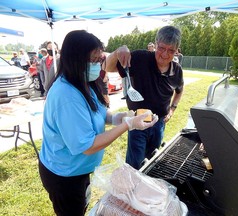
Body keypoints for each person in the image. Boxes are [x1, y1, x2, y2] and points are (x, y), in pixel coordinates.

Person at [38, 30, 158, 216]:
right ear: (75, 59)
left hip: (79, 170)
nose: (97, 65)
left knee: (81, 206)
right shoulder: (66, 96)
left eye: (98, 59)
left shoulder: (83, 82)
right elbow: (87, 146)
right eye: (92, 60)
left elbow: (101, 114)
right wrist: (127, 125)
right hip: (65, 175)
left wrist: (121, 118)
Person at [105, 26, 184, 170]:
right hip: (137, 122)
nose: (165, 54)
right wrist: (117, 53)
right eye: (161, 48)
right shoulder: (140, 58)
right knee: (135, 167)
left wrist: (172, 109)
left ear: (177, 50)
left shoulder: (177, 70)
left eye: (171, 50)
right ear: (156, 43)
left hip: (159, 123)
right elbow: (107, 67)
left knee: (152, 162)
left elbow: (179, 90)